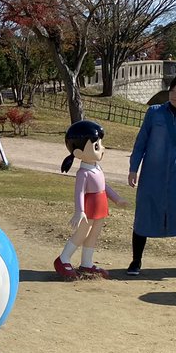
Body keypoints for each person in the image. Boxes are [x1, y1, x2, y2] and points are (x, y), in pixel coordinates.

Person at [126, 74, 176, 278]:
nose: (174, 95)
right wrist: (133, 168)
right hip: (151, 176)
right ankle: (136, 261)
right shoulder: (154, 113)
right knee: (144, 215)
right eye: (172, 90)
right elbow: (141, 142)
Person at [54, 120, 127, 280]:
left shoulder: (97, 168)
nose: (102, 149)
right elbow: (79, 193)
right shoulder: (83, 173)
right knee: (82, 233)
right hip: (88, 208)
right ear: (79, 153)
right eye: (96, 146)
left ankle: (86, 262)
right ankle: (63, 258)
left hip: (100, 206)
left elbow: (104, 187)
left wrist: (116, 199)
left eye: (100, 144)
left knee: (94, 234)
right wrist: (79, 211)